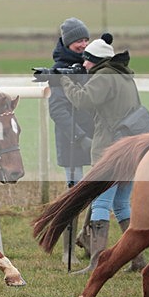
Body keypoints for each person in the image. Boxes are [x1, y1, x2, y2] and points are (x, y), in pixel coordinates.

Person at [59, 34, 147, 274]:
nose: (84, 64)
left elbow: (82, 101)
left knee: (101, 202)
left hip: (112, 150)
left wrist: (65, 81)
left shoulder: (105, 76)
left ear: (97, 61)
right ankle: (138, 260)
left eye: (88, 60)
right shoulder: (122, 74)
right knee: (121, 204)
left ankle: (96, 262)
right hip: (131, 150)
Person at [47, 18, 95, 266]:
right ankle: (68, 252)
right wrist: (79, 137)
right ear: (68, 43)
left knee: (98, 193)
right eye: (78, 40)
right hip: (72, 143)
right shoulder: (59, 70)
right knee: (74, 198)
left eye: (85, 39)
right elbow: (57, 111)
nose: (83, 44)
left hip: (94, 140)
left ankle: (86, 238)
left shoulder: (90, 64)